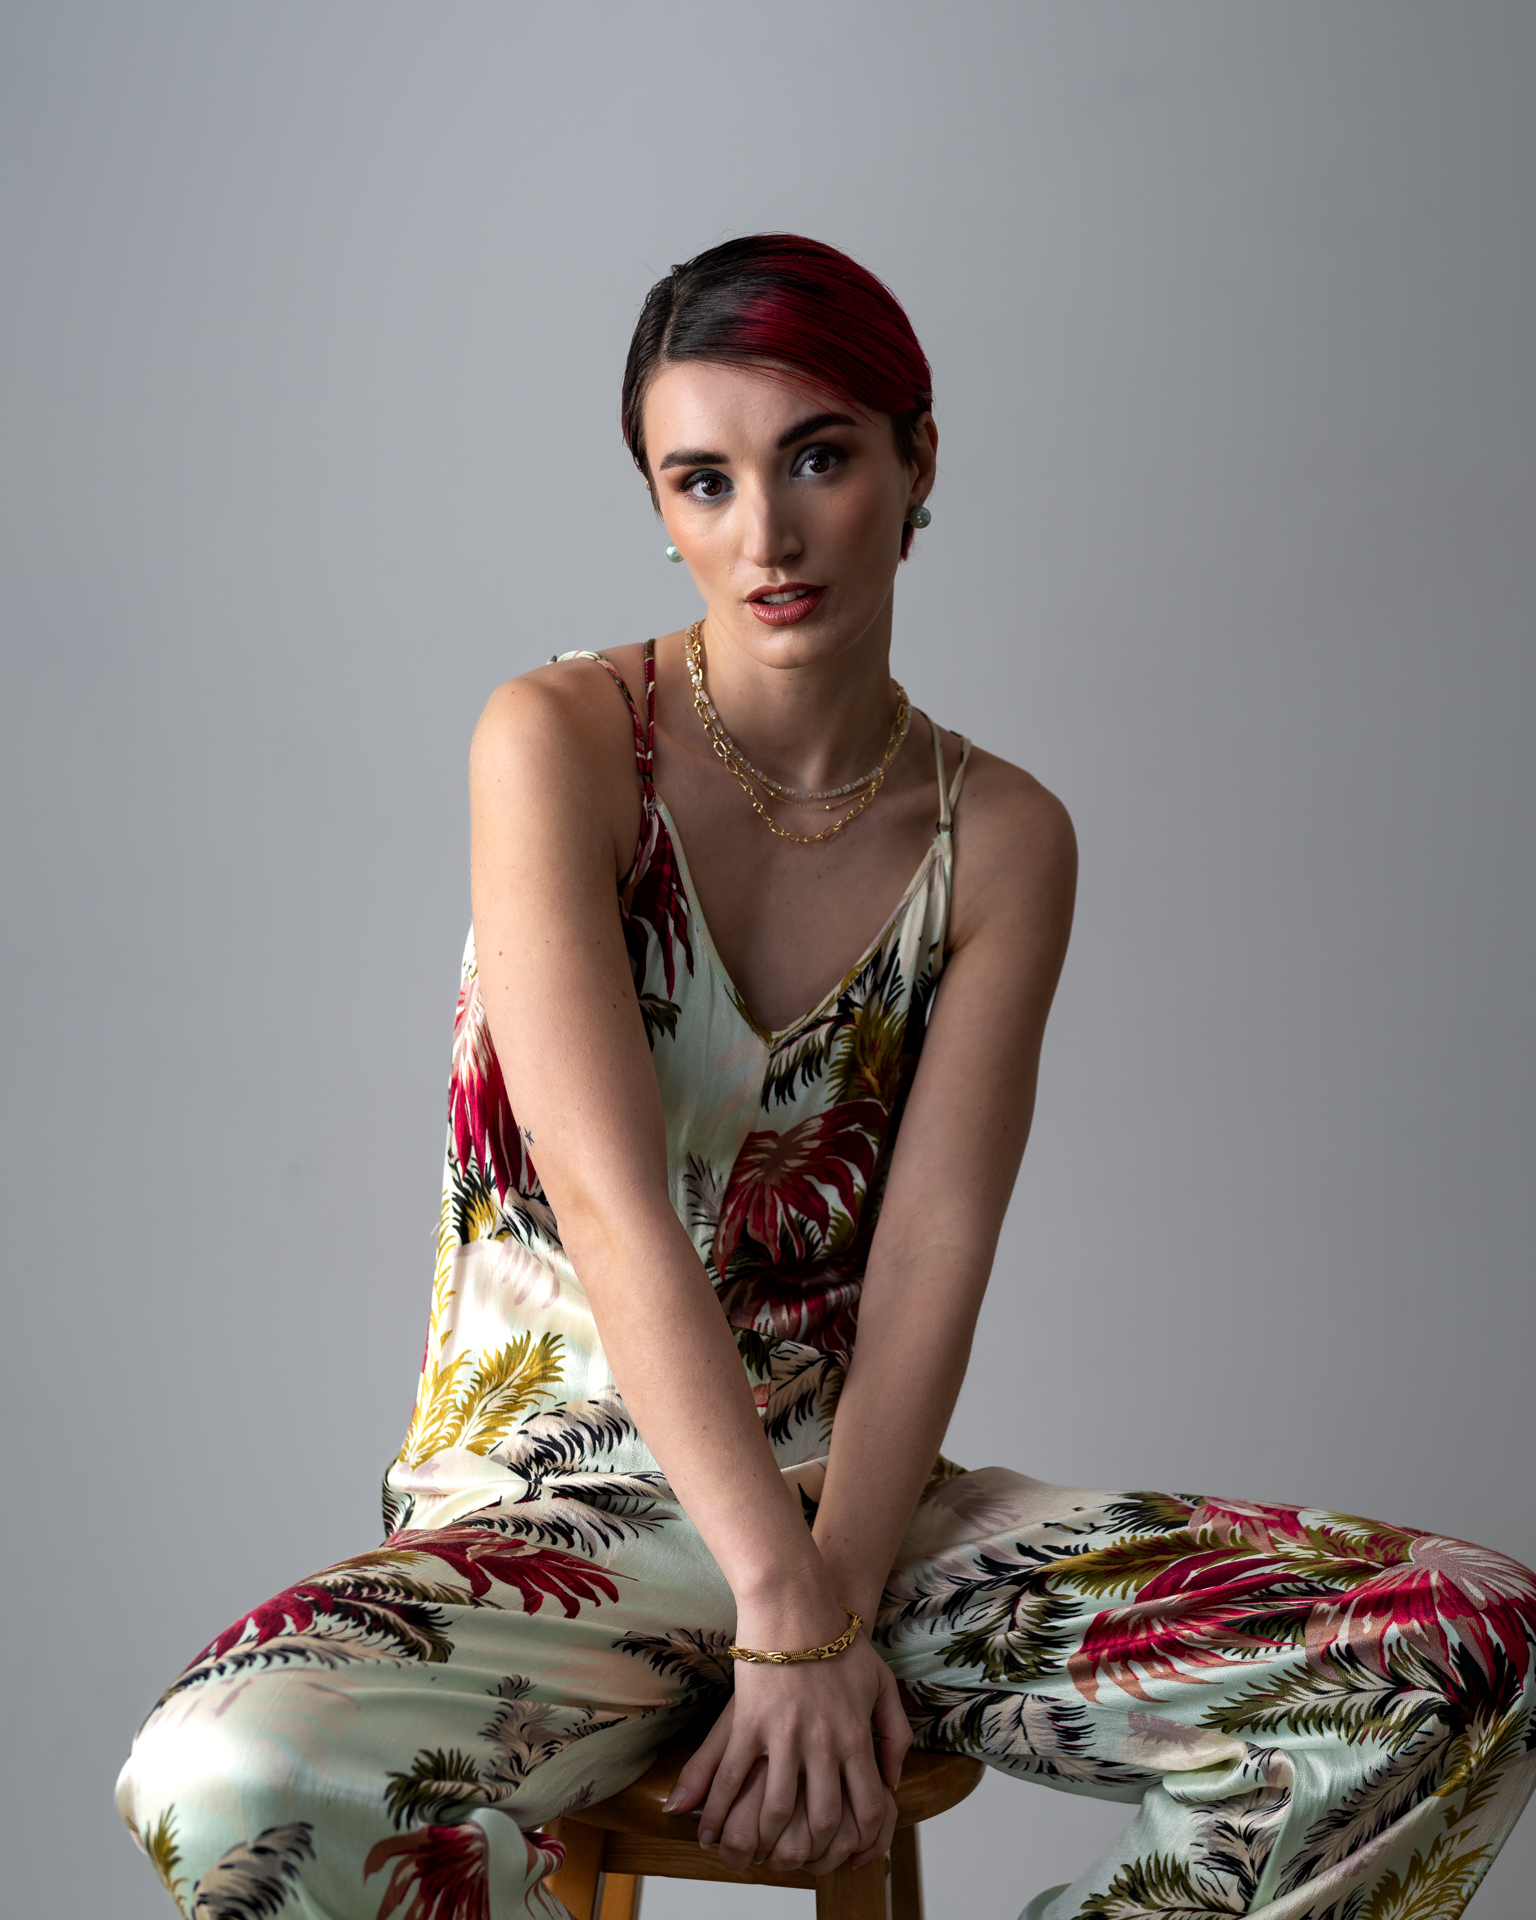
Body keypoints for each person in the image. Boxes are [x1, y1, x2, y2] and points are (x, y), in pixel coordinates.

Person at [118, 235, 1535, 1920]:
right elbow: (610, 1206)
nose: (765, 537)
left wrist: (831, 1601)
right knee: (226, 1772)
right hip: (552, 1530)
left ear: (919, 460)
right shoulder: (560, 743)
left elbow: (932, 1248)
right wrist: (780, 1615)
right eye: (703, 481)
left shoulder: (1001, 837)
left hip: (868, 1518)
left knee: (1477, 1643)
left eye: (817, 458)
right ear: (659, 503)